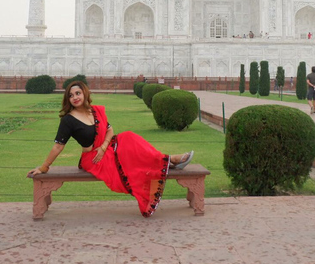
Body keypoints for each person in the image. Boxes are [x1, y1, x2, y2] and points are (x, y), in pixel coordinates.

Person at [28, 81, 194, 217]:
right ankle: (169, 160)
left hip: (106, 148)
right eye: (70, 96)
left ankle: (167, 160)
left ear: (85, 93)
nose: (74, 97)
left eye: (77, 93)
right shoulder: (68, 120)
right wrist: (44, 167)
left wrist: (103, 146)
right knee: (130, 161)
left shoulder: (95, 111)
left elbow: (109, 130)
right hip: (93, 159)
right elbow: (58, 146)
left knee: (129, 137)